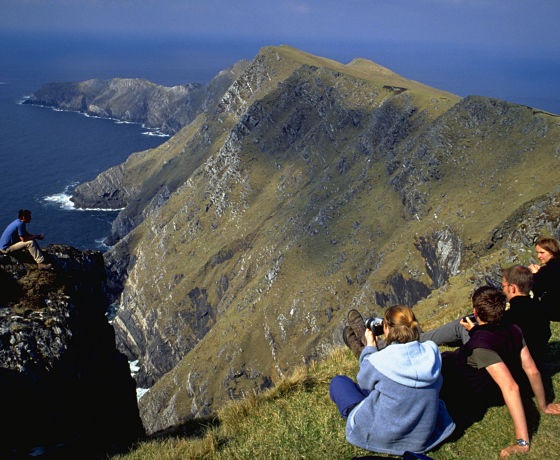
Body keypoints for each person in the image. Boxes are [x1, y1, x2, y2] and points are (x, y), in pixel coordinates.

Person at [439, 287, 560, 458]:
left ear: (475, 311)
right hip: (463, 365)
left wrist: (522, 443)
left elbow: (511, 388)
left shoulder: (481, 346)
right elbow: (532, 370)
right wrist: (545, 405)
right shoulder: (514, 329)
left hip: (451, 377)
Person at [330, 306, 455, 456]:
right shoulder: (432, 352)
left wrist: (370, 348)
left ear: (387, 328)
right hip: (423, 437)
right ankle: (360, 343)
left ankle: (361, 348)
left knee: (339, 382)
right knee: (386, 384)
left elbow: (364, 382)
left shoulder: (379, 362)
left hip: (384, 436)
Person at [420, 266, 551, 369]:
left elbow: (493, 339)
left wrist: (474, 330)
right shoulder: (540, 308)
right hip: (534, 359)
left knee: (464, 323)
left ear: (512, 288)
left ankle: (417, 339)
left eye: (504, 286)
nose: (503, 290)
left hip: (499, 365)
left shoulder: (512, 316)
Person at [528, 237, 560, 321]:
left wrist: (535, 275)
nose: (538, 256)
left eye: (542, 252)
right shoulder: (549, 269)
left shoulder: (547, 271)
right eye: (537, 253)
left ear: (552, 252)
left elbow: (537, 290)